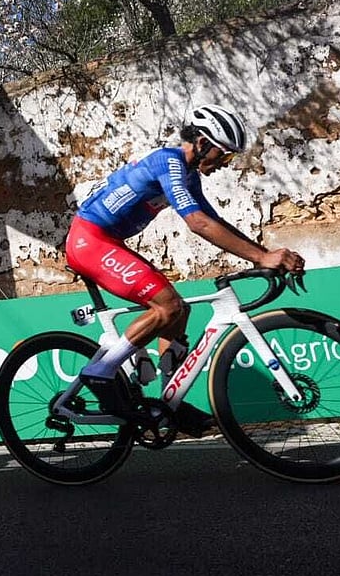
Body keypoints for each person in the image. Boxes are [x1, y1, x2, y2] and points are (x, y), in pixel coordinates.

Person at [66, 104, 306, 436]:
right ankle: (101, 371)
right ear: (203, 142)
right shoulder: (170, 163)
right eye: (223, 156)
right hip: (89, 240)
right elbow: (198, 223)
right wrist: (262, 258)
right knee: (168, 306)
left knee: (180, 313)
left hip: (107, 240)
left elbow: (214, 221)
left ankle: (170, 404)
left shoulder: (187, 174)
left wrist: (263, 254)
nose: (223, 165)